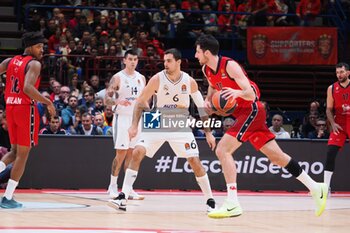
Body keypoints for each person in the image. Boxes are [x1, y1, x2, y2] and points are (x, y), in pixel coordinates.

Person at [194, 34, 327, 218]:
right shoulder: (206, 69)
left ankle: (232, 203)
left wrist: (237, 92)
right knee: (277, 157)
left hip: (252, 110)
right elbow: (213, 87)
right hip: (241, 114)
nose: (195, 55)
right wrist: (209, 101)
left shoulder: (229, 65)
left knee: (222, 150)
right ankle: (316, 187)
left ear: (207, 52)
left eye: (198, 51)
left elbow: (252, 94)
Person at [108, 48, 217, 212]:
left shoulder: (189, 81)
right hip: (157, 118)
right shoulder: (157, 78)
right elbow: (140, 101)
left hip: (180, 121)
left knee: (194, 161)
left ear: (178, 62)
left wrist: (208, 132)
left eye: (169, 61)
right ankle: (123, 196)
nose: (165, 64)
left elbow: (201, 108)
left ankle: (210, 201)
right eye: (164, 61)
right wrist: (134, 125)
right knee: (137, 151)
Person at [0, 31, 56, 208]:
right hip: (25, 110)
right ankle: (8, 198)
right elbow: (28, 88)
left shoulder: (10, 61)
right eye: (39, 46)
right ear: (30, 47)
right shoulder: (34, 64)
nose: (42, 50)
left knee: (14, 151)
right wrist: (48, 102)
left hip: (10, 107)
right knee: (22, 156)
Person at [105, 49, 146, 200]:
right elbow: (106, 100)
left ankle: (128, 189)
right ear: (124, 60)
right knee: (121, 153)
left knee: (132, 153)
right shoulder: (117, 78)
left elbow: (143, 100)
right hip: (122, 118)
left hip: (136, 119)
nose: (133, 62)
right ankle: (112, 186)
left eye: (135, 59)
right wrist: (117, 101)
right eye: (130, 59)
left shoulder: (141, 78)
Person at [323, 62, 350, 193]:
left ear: (348, 73)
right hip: (339, 123)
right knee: (330, 153)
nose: (339, 75)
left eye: (342, 72)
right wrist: (332, 123)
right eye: (337, 72)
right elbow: (328, 109)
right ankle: (325, 187)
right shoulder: (331, 88)